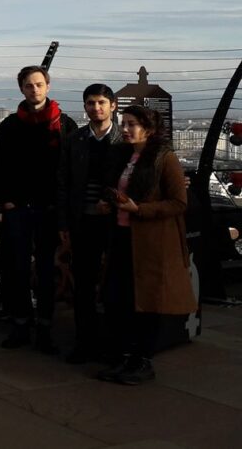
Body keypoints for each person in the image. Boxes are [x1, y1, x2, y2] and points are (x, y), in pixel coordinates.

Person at [97, 106, 196, 385]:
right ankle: (126, 356)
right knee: (121, 300)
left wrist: (138, 208)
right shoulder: (122, 156)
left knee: (147, 303)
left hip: (151, 243)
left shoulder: (165, 159)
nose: (126, 129)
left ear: (149, 129)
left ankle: (143, 360)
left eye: (132, 125)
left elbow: (179, 203)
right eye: (124, 124)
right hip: (122, 237)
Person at [0, 66, 77, 353]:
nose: (35, 90)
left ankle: (44, 326)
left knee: (45, 270)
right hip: (19, 208)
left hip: (49, 209)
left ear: (48, 86)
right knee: (16, 268)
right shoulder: (10, 126)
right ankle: (20, 323)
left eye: (39, 84)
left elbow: (70, 169)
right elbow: (0, 165)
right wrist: (5, 200)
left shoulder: (64, 125)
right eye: (29, 86)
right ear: (21, 89)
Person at [57, 84, 121, 364]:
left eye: (101, 103)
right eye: (91, 103)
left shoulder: (123, 139)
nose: (96, 108)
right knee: (83, 284)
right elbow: (63, 182)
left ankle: (113, 343)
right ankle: (85, 342)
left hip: (116, 221)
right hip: (83, 221)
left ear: (113, 105)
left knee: (115, 283)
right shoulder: (75, 140)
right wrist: (64, 221)